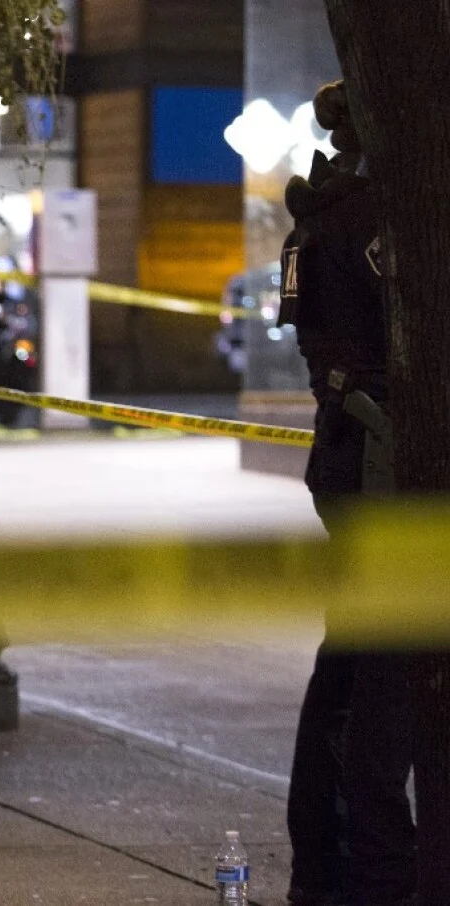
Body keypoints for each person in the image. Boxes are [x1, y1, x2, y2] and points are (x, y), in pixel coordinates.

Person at [280, 79, 415, 906]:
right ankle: (379, 869)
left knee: (354, 668)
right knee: (388, 676)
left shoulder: (322, 215)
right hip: (383, 467)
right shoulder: (380, 223)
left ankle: (331, 868)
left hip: (353, 464)